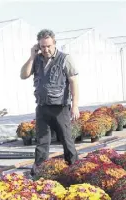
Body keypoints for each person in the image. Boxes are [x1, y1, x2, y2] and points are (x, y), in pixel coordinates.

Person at [20, 29, 79, 176]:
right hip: (42, 107)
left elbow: (73, 82)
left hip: (60, 107)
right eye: (42, 47)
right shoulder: (37, 60)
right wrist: (32, 56)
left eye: (48, 46)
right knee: (42, 141)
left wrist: (75, 105)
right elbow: (23, 75)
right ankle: (39, 169)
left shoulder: (65, 59)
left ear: (54, 44)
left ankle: (74, 168)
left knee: (66, 139)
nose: (45, 49)